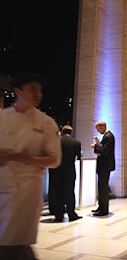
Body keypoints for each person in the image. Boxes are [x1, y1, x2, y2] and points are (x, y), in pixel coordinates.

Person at [0, 73, 62, 259]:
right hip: (2, 187)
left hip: (28, 191)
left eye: (40, 89)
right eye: (32, 89)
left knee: (14, 241)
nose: (38, 93)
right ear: (17, 91)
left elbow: (55, 160)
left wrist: (27, 158)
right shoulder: (3, 118)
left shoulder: (46, 123)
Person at [50, 125, 82, 222]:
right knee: (70, 193)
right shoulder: (76, 143)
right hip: (69, 171)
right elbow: (79, 157)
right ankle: (71, 214)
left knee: (58, 193)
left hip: (57, 171)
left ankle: (59, 215)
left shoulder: (56, 142)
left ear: (62, 132)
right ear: (71, 133)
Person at [90, 120, 115, 216]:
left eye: (98, 129)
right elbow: (103, 147)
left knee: (103, 188)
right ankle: (100, 207)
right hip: (104, 167)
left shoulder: (108, 136)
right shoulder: (107, 136)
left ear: (102, 127)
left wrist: (95, 147)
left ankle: (103, 210)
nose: (98, 131)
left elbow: (104, 151)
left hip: (105, 166)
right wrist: (97, 143)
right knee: (101, 187)